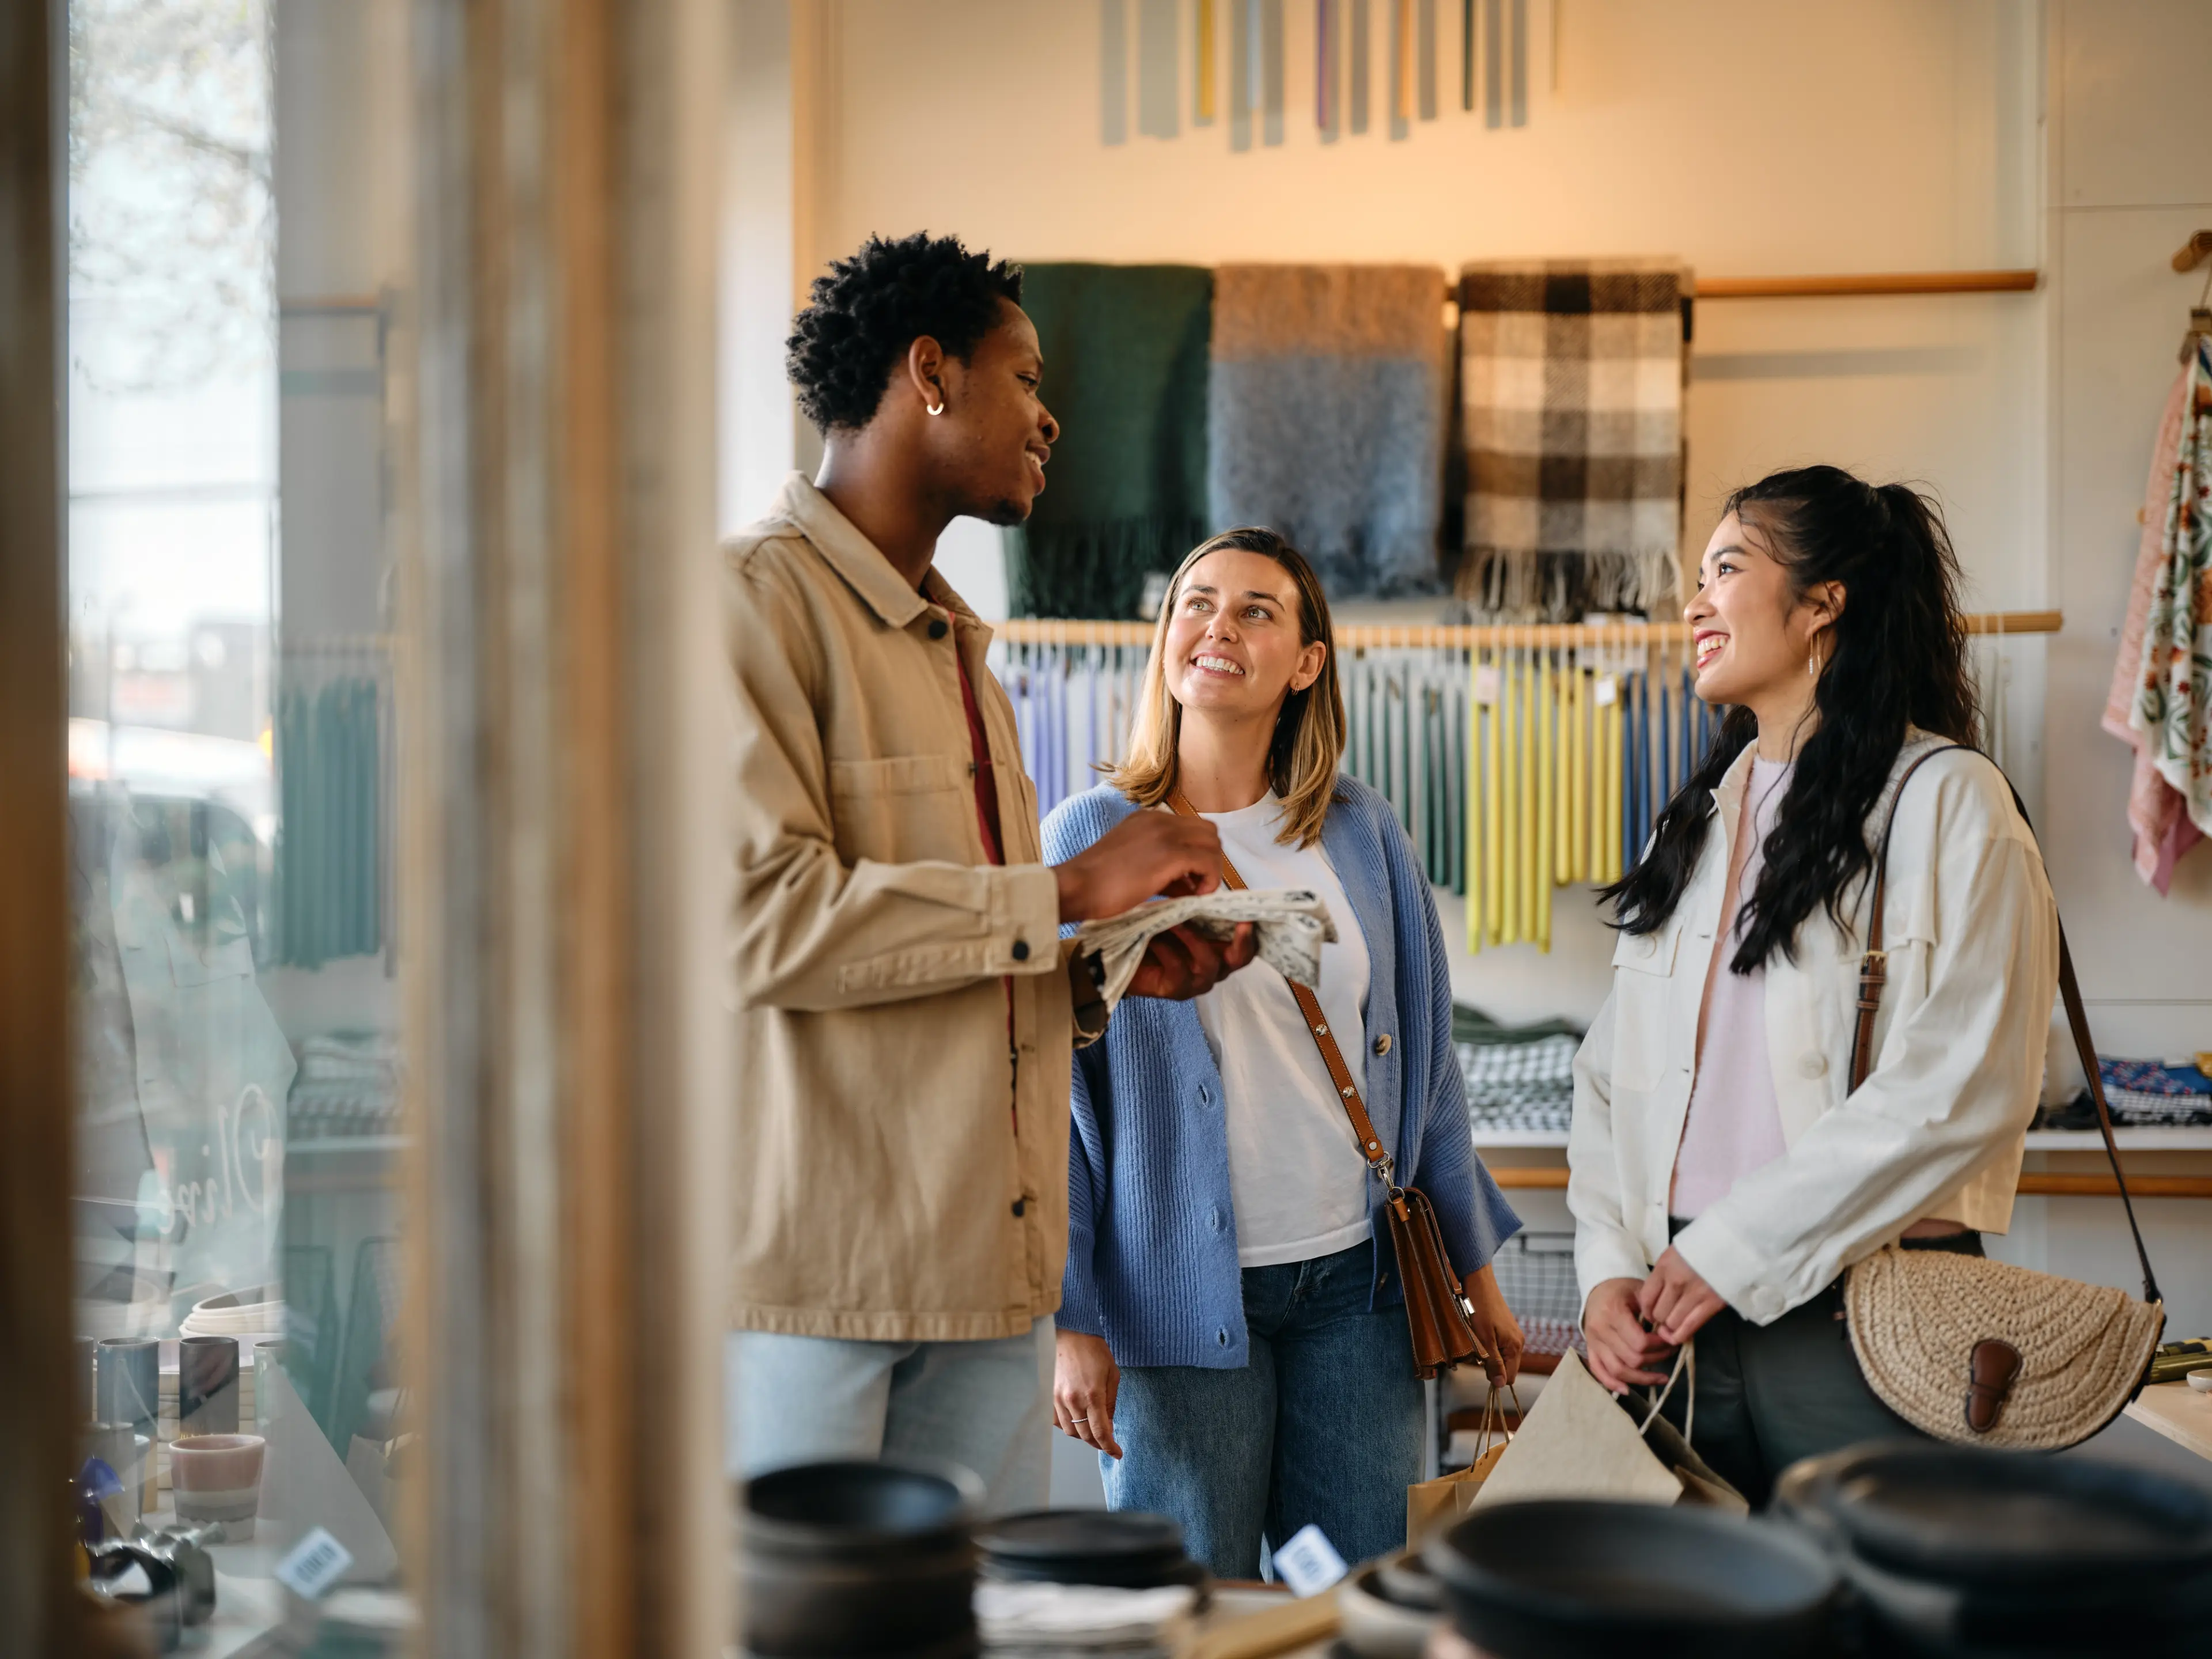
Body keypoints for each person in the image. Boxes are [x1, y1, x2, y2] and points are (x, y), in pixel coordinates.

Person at [725, 233, 1256, 1510]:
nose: (1051, 416)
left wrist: (1100, 976)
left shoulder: (965, 651)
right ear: (930, 374)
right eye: (1026, 377)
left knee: (978, 1625)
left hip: (987, 1273)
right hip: (818, 1287)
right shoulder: (750, 608)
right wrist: (1070, 892)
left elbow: (958, 949)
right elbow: (760, 923)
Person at [1567, 465, 2060, 1506]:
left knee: (1866, 1618)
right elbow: (1613, 1077)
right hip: (1673, 1327)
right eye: (1694, 578)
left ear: (1825, 603)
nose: (1695, 602)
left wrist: (1739, 1250)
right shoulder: (1692, 824)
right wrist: (1606, 1265)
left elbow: (1962, 1086)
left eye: (1727, 569)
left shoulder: (1949, 803)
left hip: (1858, 1319)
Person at [1043, 528, 1527, 1576]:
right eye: (1197, 602)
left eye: (1257, 610)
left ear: (1307, 663)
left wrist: (1479, 1284)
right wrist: (1071, 1317)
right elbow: (1044, 1104)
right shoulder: (1087, 840)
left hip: (1360, 1295)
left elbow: (1428, 1072)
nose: (1218, 626)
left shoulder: (1360, 831)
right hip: (1171, 1309)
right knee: (1191, 1603)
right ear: (1167, 635)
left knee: (1364, 1591)